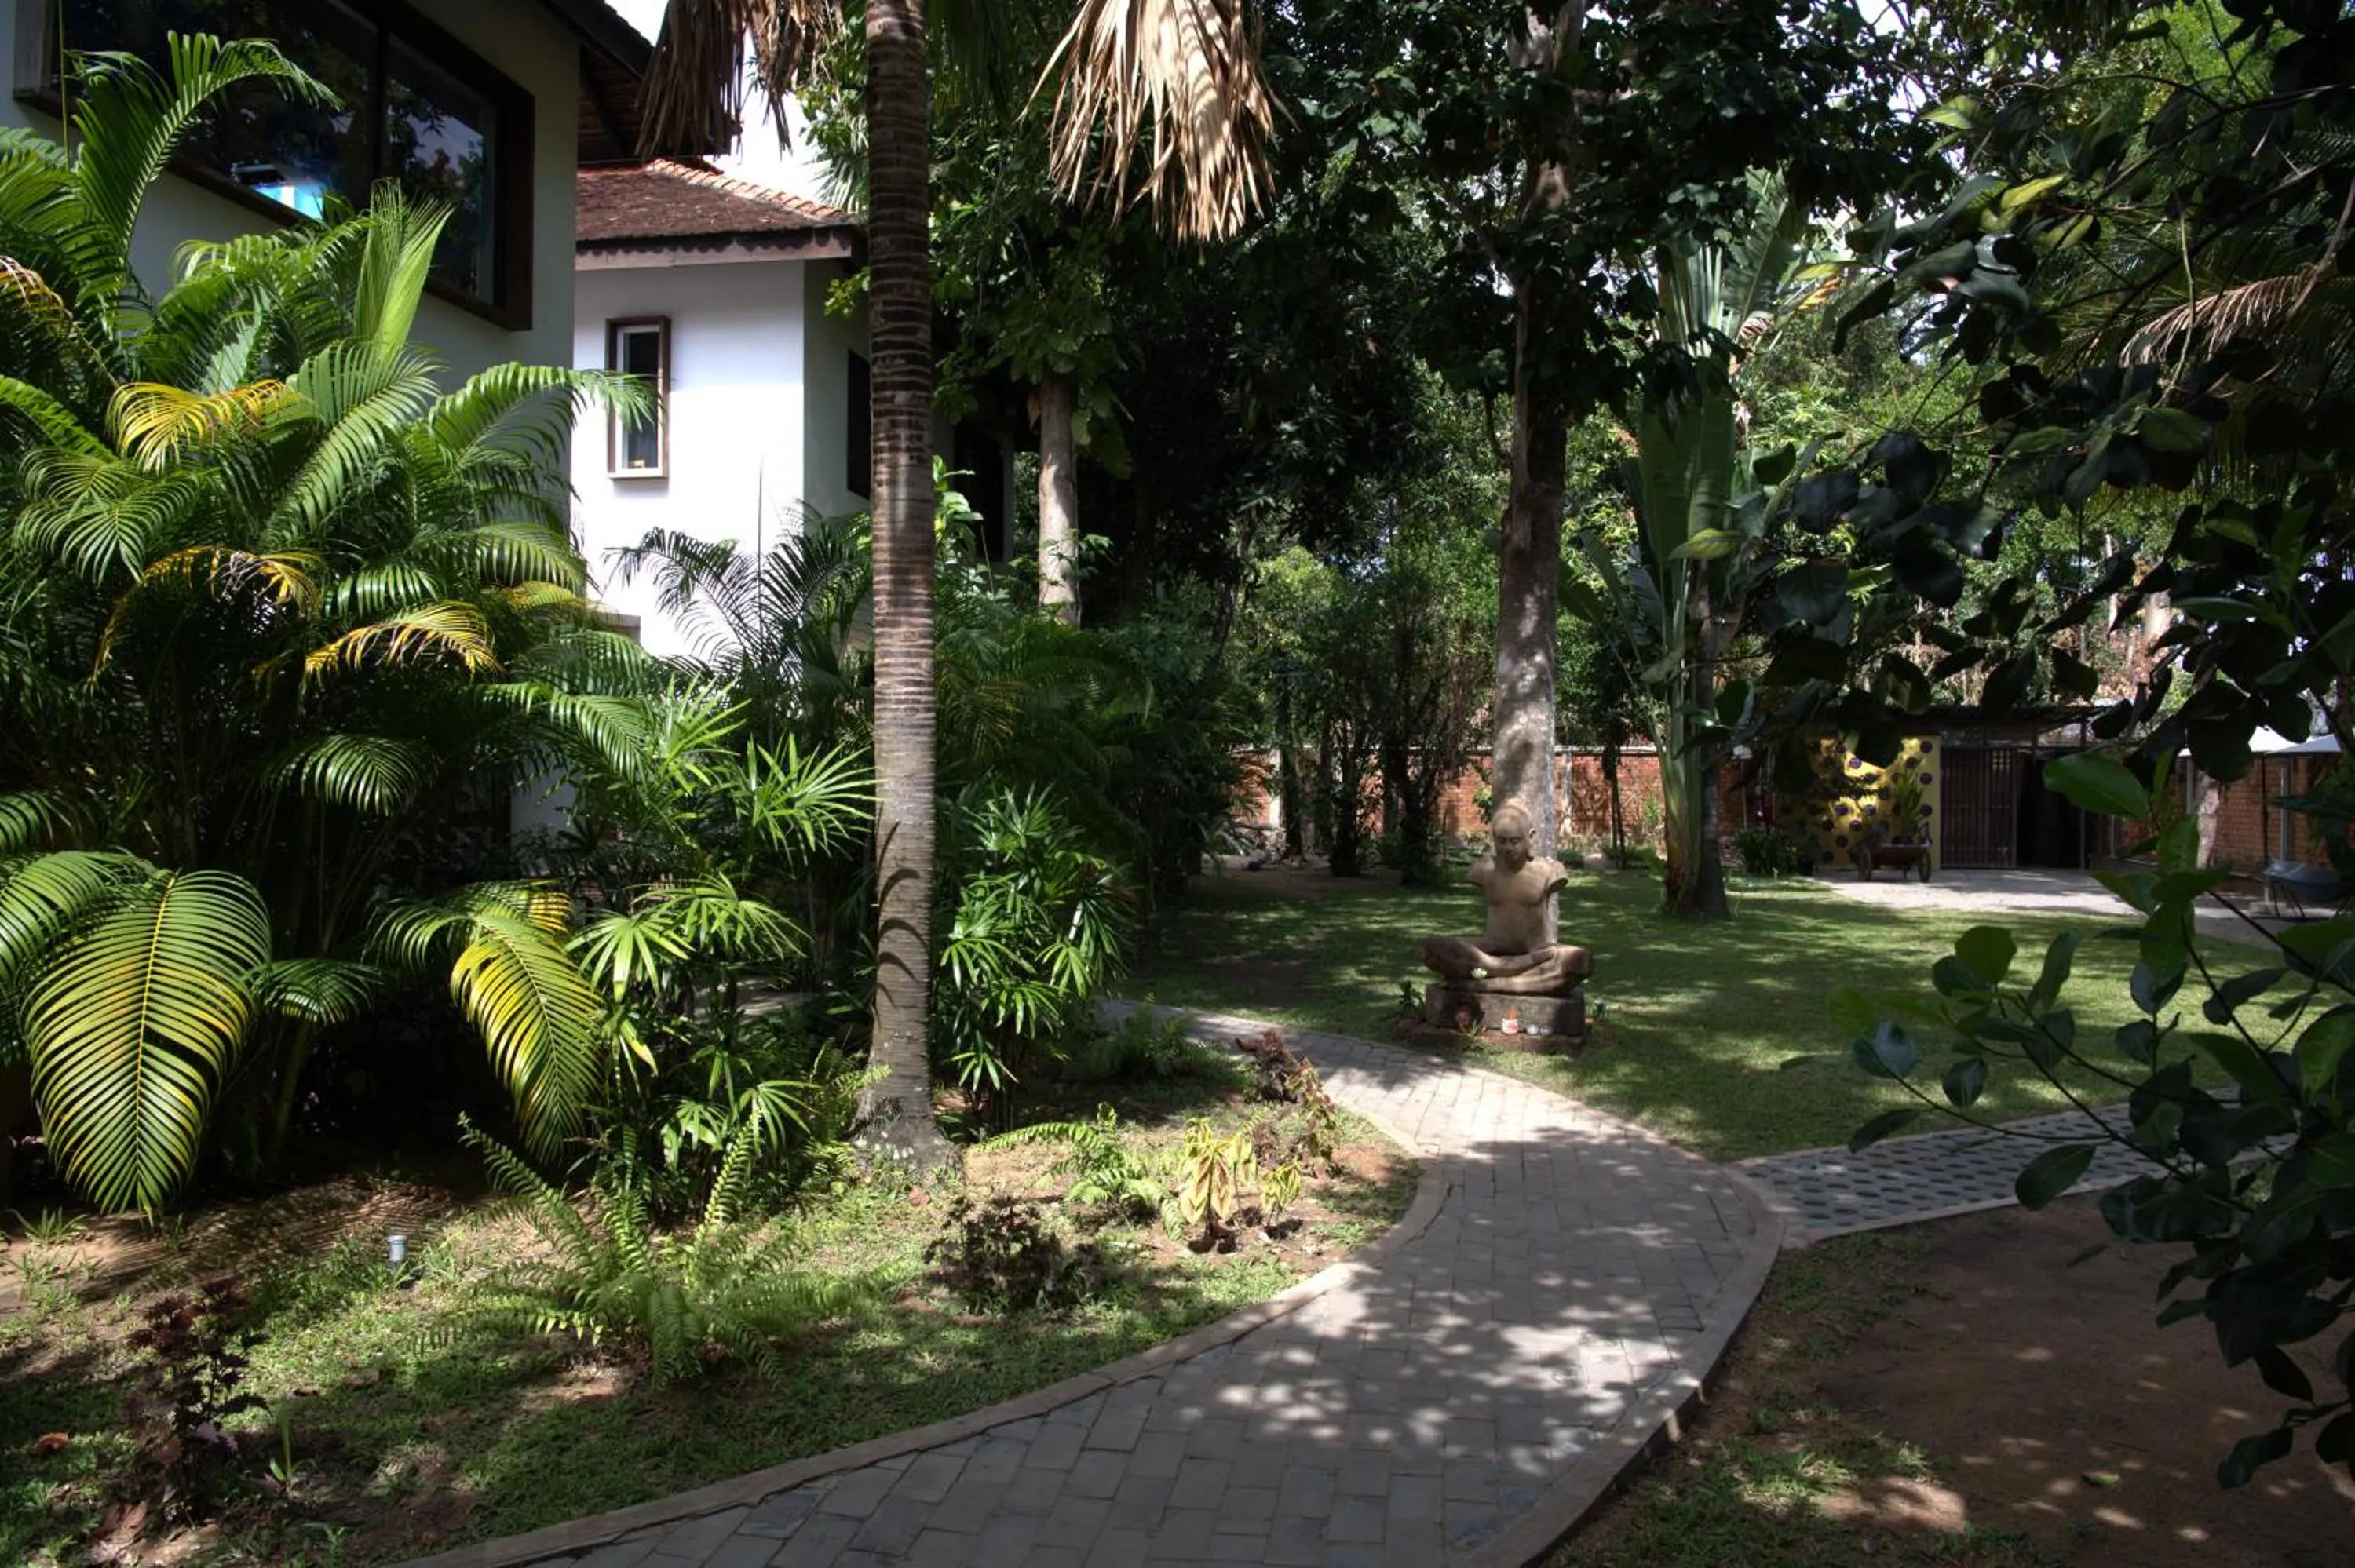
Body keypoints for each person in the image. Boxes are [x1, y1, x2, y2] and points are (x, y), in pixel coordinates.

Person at [1418, 802, 1591, 994]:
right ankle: (1506, 972)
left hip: (1539, 952)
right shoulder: (1484, 869)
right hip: (1490, 953)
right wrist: (1498, 962)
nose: (1508, 848)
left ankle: (1490, 983)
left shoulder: (1549, 871)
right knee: (1430, 948)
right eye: (1502, 841)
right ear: (1493, 839)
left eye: (1514, 841)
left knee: (1580, 961)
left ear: (1530, 837)